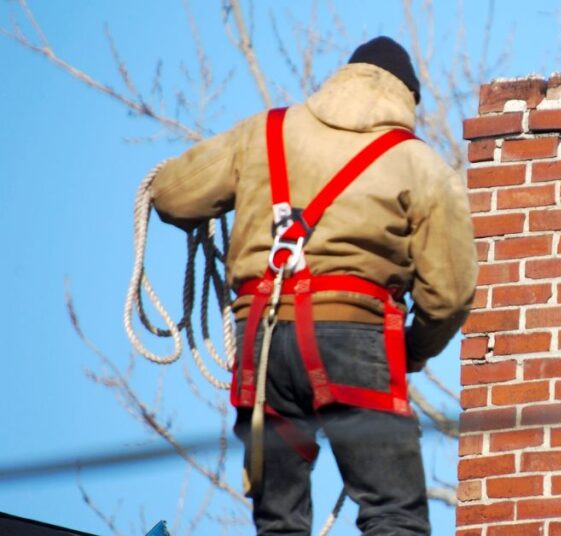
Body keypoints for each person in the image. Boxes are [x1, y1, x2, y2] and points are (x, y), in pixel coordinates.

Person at [149, 36, 477, 535]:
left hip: (262, 343)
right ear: (408, 99)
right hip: (354, 338)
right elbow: (448, 296)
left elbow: (171, 195)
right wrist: (411, 353)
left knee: (279, 519)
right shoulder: (420, 164)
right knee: (393, 512)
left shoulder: (264, 132)